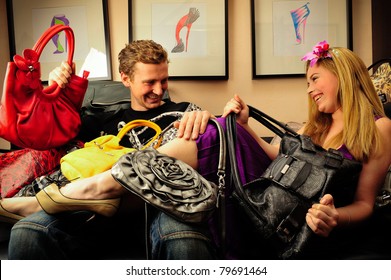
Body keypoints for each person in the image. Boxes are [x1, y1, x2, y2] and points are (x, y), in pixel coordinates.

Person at [5, 41, 391, 259]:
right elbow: (282, 160)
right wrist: (243, 129)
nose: (309, 89)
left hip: (284, 206)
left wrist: (335, 217)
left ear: (343, 77)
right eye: (149, 82)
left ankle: (96, 190)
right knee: (219, 129)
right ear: (125, 80)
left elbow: (365, 203)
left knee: (210, 128)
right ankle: (89, 193)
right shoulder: (317, 125)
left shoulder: (379, 128)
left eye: (314, 80)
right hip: (269, 187)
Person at [2, 39, 217, 259]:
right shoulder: (101, 122)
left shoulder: (185, 114)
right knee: (27, 231)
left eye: (164, 80)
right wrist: (54, 91)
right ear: (125, 78)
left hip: (162, 211)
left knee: (182, 239)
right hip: (95, 215)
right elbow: (44, 139)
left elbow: (211, 150)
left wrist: (209, 121)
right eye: (150, 82)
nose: (159, 89)